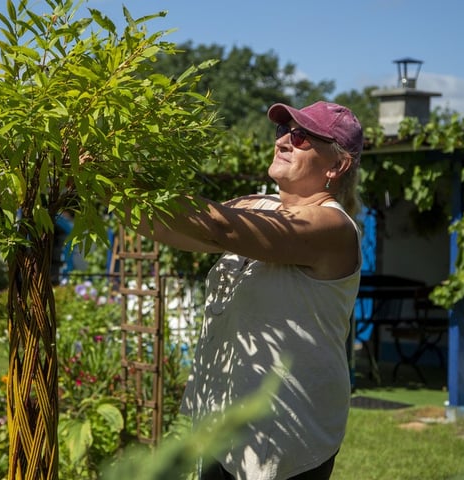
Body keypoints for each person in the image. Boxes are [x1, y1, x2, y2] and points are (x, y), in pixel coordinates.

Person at [136, 101, 364, 480]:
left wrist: (129, 183)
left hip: (284, 437)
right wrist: (102, 187)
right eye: (282, 132)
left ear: (337, 165)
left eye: (302, 136)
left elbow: (220, 228)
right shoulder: (258, 204)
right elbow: (172, 229)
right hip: (222, 425)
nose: (284, 142)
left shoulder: (333, 228)